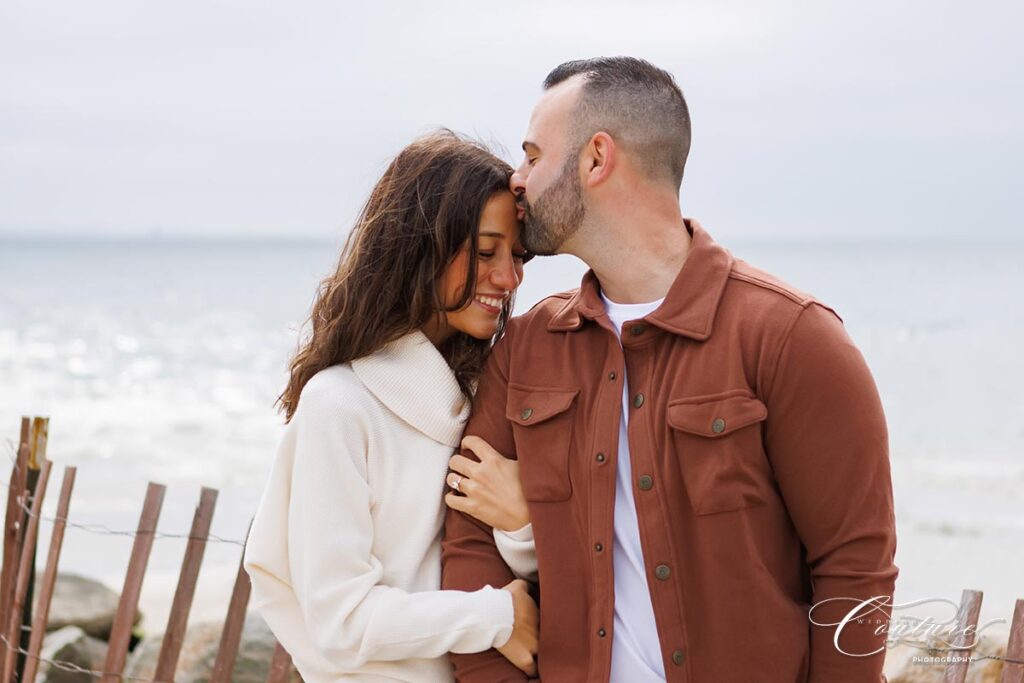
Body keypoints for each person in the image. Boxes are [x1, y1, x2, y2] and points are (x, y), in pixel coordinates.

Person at [441, 57, 899, 682]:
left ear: (596, 158)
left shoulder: (793, 338)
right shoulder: (524, 349)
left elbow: (854, 569)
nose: (516, 179)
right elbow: (467, 547)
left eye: (532, 156)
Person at [243, 130, 542, 683]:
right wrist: (495, 616)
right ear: (421, 246)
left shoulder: (487, 393)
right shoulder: (342, 405)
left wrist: (523, 522)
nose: (508, 277)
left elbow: (517, 568)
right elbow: (341, 618)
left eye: (516, 256)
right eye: (484, 251)